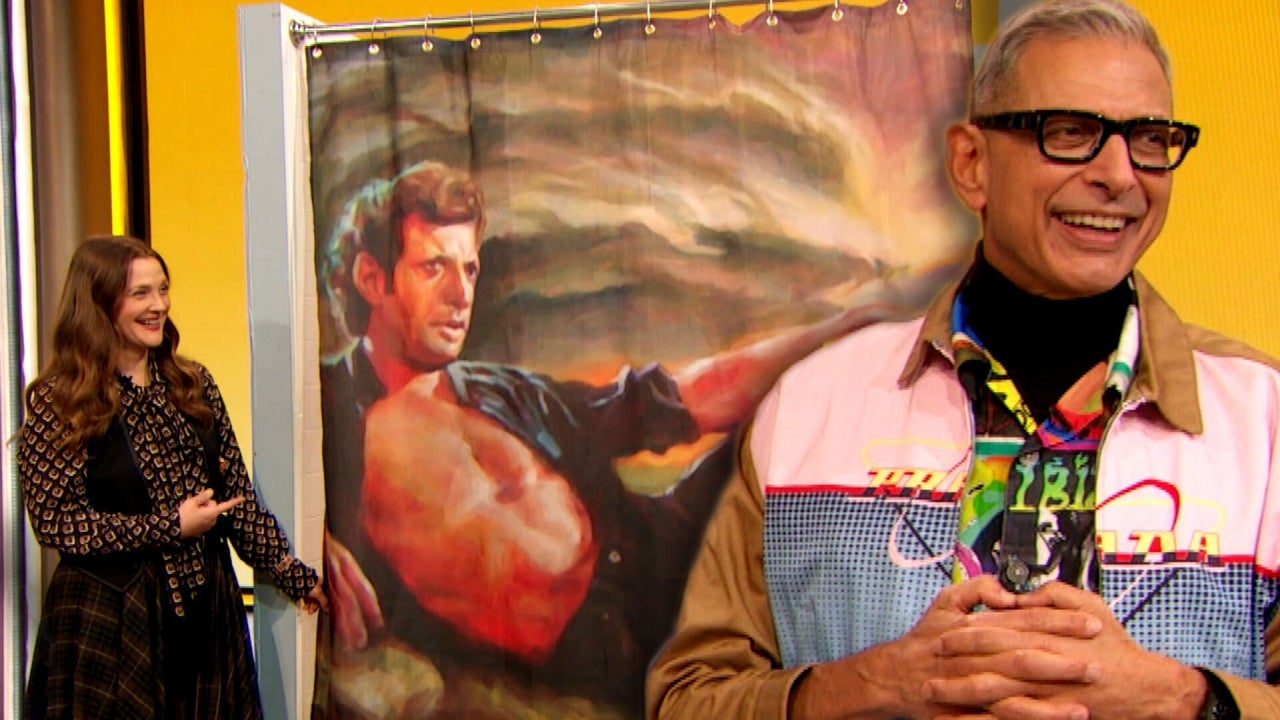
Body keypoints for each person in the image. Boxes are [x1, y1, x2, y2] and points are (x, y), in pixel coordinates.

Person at [647, 1, 1280, 719]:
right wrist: (875, 684)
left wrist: (1183, 699)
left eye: (1150, 139)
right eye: (1070, 133)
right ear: (971, 163)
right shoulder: (810, 407)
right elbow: (690, 702)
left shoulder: (1263, 421)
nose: (1120, 174)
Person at [315, 160, 939, 715]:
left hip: (658, 548)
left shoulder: (493, 388)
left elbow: (673, 402)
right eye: (434, 267)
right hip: (610, 637)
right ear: (372, 278)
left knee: (794, 429)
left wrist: (844, 333)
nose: (460, 295)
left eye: (470, 268)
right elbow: (257, 484)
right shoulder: (323, 406)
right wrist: (311, 535)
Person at [19, 236, 327, 720]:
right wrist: (170, 526)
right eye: (140, 293)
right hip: (113, 619)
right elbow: (57, 523)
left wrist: (292, 572)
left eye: (162, 289)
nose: (158, 305)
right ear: (99, 303)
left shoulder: (192, 385)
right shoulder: (61, 401)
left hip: (205, 616)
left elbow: (236, 498)